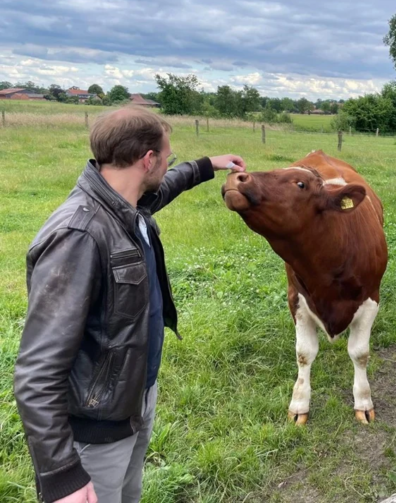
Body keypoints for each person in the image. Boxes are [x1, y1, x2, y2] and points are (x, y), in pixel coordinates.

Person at [13, 105, 245, 503]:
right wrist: (61, 473)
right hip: (96, 425)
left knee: (128, 494)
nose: (169, 161)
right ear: (147, 159)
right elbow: (37, 371)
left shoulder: (127, 204)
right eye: (166, 154)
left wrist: (208, 165)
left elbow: (166, 185)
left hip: (133, 399)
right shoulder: (80, 234)